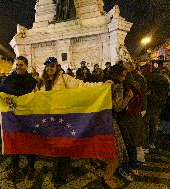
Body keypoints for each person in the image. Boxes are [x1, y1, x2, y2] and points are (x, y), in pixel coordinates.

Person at [36, 57, 118, 188]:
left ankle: (61, 174)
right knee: (54, 146)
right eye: (47, 66)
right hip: (49, 119)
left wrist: (102, 85)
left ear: (57, 67)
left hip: (63, 119)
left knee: (62, 146)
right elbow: (35, 98)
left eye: (52, 66)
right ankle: (58, 170)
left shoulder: (65, 78)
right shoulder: (41, 82)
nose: (49, 68)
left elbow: (82, 86)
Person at [0, 56, 37, 178]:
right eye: (17, 65)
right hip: (13, 118)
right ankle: (15, 167)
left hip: (28, 118)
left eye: (21, 65)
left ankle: (31, 167)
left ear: (26, 66)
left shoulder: (32, 81)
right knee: (14, 142)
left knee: (30, 143)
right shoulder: (8, 79)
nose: (18, 67)